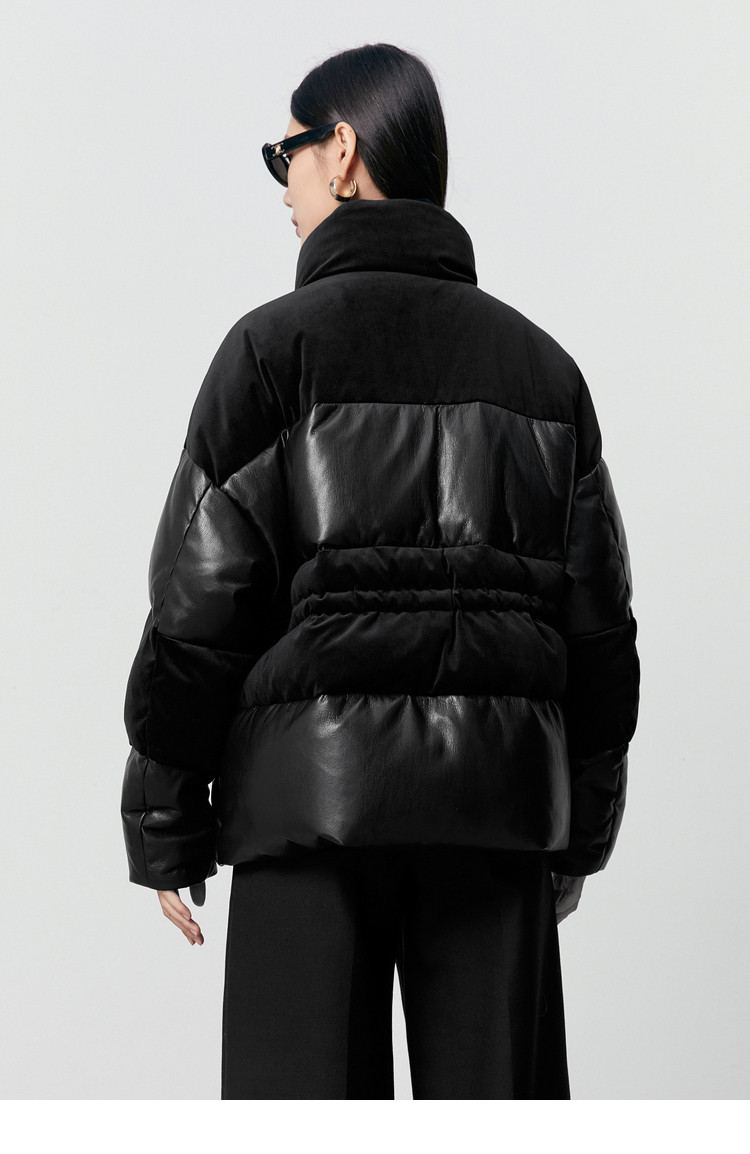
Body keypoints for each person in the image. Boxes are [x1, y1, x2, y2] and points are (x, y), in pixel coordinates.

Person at [120, 43, 640, 1100]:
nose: (284, 187)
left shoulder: (271, 353)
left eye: (288, 156)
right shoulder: (544, 372)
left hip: (307, 813)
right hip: (494, 818)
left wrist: (165, 811)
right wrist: (578, 830)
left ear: (343, 150)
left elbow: (198, 607)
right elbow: (600, 630)